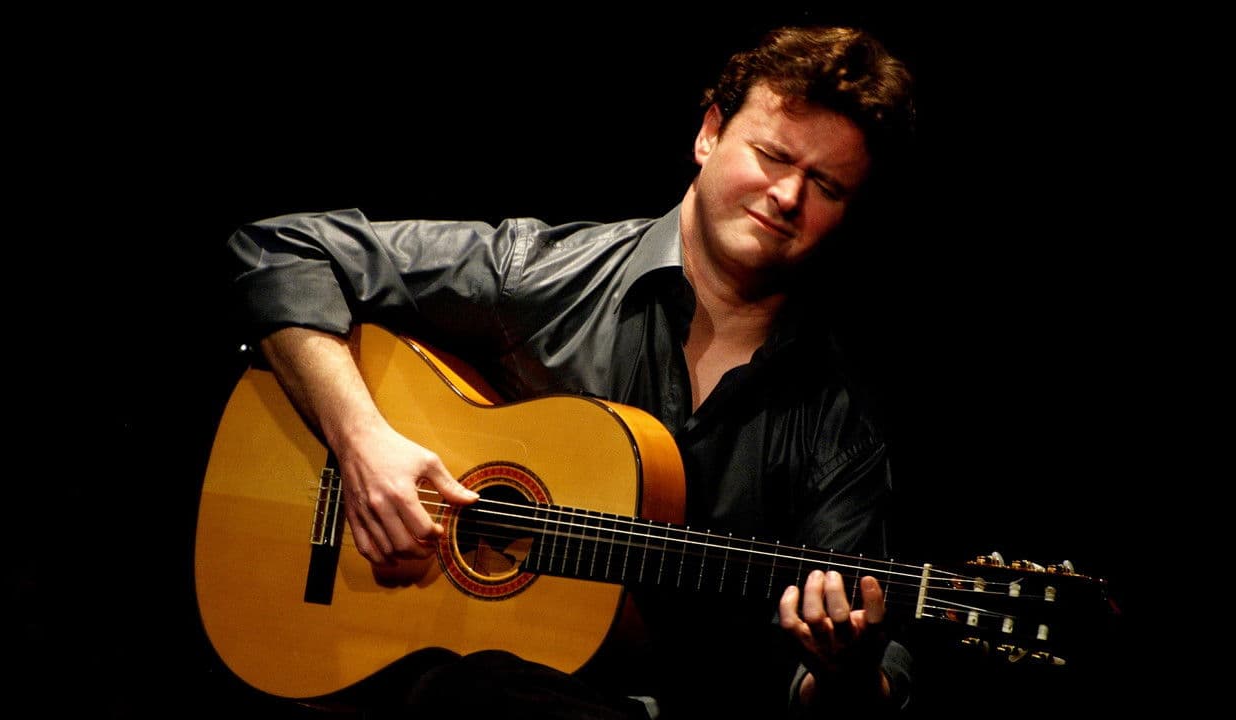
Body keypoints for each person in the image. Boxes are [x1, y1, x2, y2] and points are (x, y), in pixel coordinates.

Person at [225, 24, 916, 718]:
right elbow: (283, 249)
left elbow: (835, 691)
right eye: (773, 155)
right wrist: (362, 444)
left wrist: (846, 674)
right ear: (710, 134)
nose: (788, 195)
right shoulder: (541, 276)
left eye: (825, 185)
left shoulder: (839, 420)